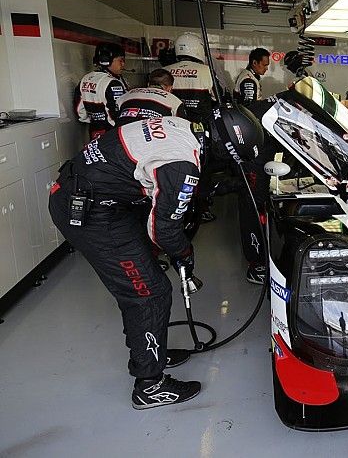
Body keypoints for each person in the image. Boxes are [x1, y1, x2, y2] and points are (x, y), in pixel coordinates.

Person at [49, 109, 265, 407]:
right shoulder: (183, 162)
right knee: (149, 293)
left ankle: (150, 353)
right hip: (90, 213)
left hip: (96, 197)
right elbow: (164, 231)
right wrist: (185, 256)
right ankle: (149, 385)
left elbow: (164, 180)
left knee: (147, 284)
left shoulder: (183, 128)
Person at [76, 42, 129, 140]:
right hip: (112, 132)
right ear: (106, 60)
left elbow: (80, 111)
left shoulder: (85, 78)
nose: (123, 64)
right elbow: (117, 112)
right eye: (120, 60)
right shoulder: (113, 82)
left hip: (94, 129)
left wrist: (94, 120)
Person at [166, 33, 216, 125]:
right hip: (200, 124)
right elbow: (217, 97)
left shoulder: (164, 71)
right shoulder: (207, 70)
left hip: (172, 123)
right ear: (198, 49)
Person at [115, 69, 186, 126]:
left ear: (148, 84)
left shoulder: (127, 94)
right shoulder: (174, 101)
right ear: (170, 88)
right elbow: (182, 127)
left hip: (120, 135)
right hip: (150, 138)